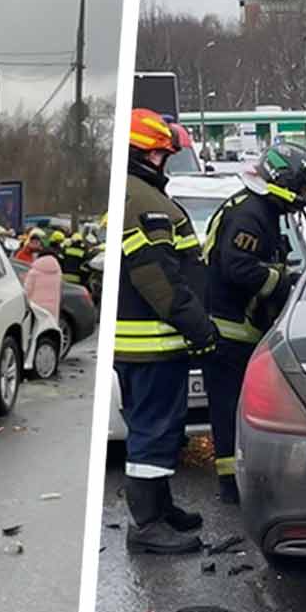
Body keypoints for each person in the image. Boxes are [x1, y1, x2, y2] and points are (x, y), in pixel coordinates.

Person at [115, 109, 217, 554]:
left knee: (155, 428)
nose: (164, 162)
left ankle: (161, 507)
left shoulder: (138, 195)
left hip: (148, 342)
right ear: (144, 154)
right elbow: (158, 277)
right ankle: (147, 524)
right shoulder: (144, 202)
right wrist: (198, 326)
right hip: (153, 342)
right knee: (154, 432)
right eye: (160, 155)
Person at [200, 142, 306, 505]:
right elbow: (238, 269)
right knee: (229, 406)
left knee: (237, 405)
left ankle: (240, 478)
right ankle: (231, 485)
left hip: (239, 325)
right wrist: (282, 281)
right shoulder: (251, 214)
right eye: (300, 189)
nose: (301, 198)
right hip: (228, 327)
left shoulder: (258, 210)